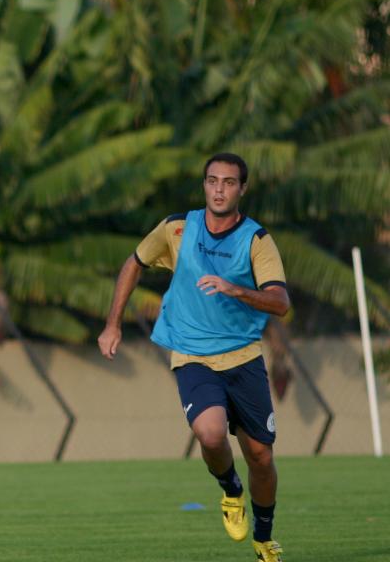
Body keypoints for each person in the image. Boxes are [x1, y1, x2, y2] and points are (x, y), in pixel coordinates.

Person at [98, 153, 290, 562]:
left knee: (260, 456)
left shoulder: (256, 239)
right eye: (212, 181)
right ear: (204, 185)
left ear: (242, 189)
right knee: (211, 433)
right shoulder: (177, 228)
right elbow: (134, 263)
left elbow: (280, 302)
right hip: (192, 355)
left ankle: (264, 538)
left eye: (229, 182)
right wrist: (112, 324)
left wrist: (237, 289)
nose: (219, 189)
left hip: (243, 357)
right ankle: (231, 490)